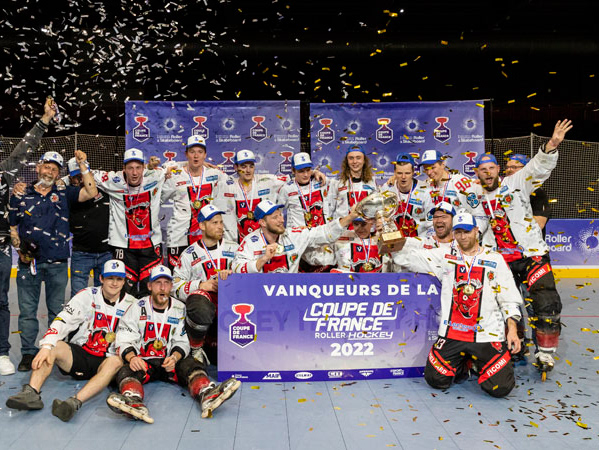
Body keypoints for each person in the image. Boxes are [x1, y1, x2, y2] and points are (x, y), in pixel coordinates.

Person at [474, 119, 573, 377]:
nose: (488, 173)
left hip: (531, 256)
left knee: (546, 301)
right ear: (477, 173)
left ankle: (545, 353)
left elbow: (538, 166)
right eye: (482, 169)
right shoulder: (473, 196)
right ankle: (513, 347)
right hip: (500, 261)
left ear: (498, 170)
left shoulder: (516, 182)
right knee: (503, 306)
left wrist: (551, 145)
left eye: (491, 168)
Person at [390, 213, 522, 397]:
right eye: (458, 232)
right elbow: (405, 259)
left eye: (467, 232)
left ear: (476, 231)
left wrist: (512, 330)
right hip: (453, 333)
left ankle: (476, 361)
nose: (463, 236)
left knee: (500, 388)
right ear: (453, 233)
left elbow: (508, 298)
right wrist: (388, 233)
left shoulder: (495, 259)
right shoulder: (444, 256)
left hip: (486, 334)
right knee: (435, 380)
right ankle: (463, 363)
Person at [107, 265, 241, 422]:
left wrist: (175, 357)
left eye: (166, 283)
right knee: (125, 370)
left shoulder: (179, 308)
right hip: (144, 361)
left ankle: (206, 393)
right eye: (158, 283)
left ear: (171, 286)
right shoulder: (137, 307)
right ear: (149, 286)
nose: (162, 287)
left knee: (191, 364)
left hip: (169, 363)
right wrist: (132, 358)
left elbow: (182, 340)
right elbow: (125, 335)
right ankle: (133, 399)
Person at [5, 260, 135, 422]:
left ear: (124, 281)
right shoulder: (87, 295)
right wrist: (46, 346)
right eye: (110, 278)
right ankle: (31, 392)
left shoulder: (132, 304)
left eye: (119, 279)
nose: (114, 283)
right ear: (101, 278)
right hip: (80, 355)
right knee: (53, 346)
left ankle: (73, 402)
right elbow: (63, 320)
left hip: (106, 361)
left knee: (116, 361)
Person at [9, 149, 97, 372]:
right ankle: (28, 353)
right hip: (29, 264)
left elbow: (91, 191)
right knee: (27, 312)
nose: (49, 172)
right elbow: (11, 225)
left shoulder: (64, 193)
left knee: (57, 312)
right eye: (46, 166)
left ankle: (54, 351)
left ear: (59, 174)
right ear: (38, 167)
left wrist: (83, 164)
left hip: (57, 264)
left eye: (54, 169)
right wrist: (18, 247)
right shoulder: (21, 193)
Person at [0, 98, 55, 376]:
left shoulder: (4, 174)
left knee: (1, 302)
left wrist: (44, 120)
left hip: (0, 248)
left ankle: (2, 352)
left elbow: (25, 148)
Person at [93, 148, 165, 297]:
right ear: (124, 169)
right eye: (130, 168)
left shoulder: (155, 176)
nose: (134, 173)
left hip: (151, 247)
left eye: (138, 167)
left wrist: (205, 166)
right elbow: (87, 173)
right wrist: (64, 180)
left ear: (143, 168)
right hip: (124, 247)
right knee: (125, 294)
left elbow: (177, 167)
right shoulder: (114, 181)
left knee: (150, 293)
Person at [171, 204, 237, 363]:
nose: (220, 226)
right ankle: (196, 348)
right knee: (198, 300)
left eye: (221, 222)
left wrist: (233, 275)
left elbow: (249, 276)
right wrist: (200, 285)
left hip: (231, 305)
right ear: (202, 226)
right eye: (215, 223)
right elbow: (174, 287)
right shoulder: (189, 254)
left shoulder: (235, 248)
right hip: (205, 308)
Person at [232, 199, 358, 273]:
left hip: (290, 295)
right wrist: (263, 259)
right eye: (275, 217)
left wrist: (350, 217)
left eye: (280, 215)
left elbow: (325, 233)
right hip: (262, 296)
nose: (281, 220)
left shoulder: (293, 235)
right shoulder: (251, 241)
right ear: (262, 223)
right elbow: (237, 268)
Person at [161, 136, 228, 270]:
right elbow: (159, 198)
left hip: (207, 238)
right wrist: (172, 170)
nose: (196, 156)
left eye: (200, 152)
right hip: (179, 237)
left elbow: (233, 188)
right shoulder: (175, 175)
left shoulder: (215, 174)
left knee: (205, 275)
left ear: (205, 155)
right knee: (177, 278)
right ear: (186, 154)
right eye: (192, 152)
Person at [277, 152, 335, 272]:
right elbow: (278, 213)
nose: (305, 174)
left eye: (308, 170)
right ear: (293, 171)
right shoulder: (287, 189)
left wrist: (316, 172)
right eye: (301, 171)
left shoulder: (321, 181)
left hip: (322, 238)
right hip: (300, 241)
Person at [217, 150, 289, 244]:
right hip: (237, 243)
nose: (248, 170)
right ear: (236, 167)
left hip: (264, 242)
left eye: (251, 166)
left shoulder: (266, 181)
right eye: (243, 167)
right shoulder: (228, 185)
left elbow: (294, 179)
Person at [65, 157, 111, 297]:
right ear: (70, 178)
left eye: (82, 175)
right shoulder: (68, 194)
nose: (80, 180)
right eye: (76, 177)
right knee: (78, 297)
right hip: (81, 253)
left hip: (106, 252)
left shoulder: (106, 190)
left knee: (105, 297)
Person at [414, 149, 488, 236]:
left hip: (460, 235)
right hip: (438, 236)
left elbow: (480, 215)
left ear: (443, 164)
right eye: (426, 169)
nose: (429, 172)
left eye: (433, 168)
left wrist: (473, 236)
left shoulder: (459, 183)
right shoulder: (426, 186)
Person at [384, 152, 432, 237]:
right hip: (393, 239)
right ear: (394, 172)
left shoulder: (425, 190)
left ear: (413, 172)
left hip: (419, 241)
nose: (403, 177)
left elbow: (431, 224)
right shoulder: (387, 189)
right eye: (399, 173)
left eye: (407, 173)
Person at [329, 145, 378, 226]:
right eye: (351, 158)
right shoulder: (337, 182)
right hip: (344, 230)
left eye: (358, 158)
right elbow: (329, 209)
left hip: (366, 229)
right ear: (347, 161)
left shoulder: (372, 181)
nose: (354, 161)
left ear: (364, 160)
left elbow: (376, 207)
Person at [505, 153, 552, 238]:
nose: (509, 170)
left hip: (530, 244)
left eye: (514, 167)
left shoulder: (537, 193)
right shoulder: (502, 192)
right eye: (507, 167)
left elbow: (539, 224)